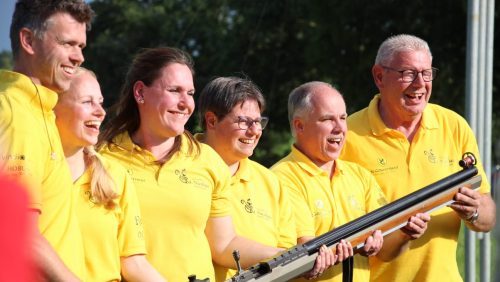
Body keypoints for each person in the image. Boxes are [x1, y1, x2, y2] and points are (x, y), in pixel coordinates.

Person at [98, 47, 283, 281]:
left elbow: (224, 244)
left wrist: (288, 254)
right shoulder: (101, 159)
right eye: (174, 90)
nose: (186, 103)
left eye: (191, 93)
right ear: (140, 92)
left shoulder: (207, 159)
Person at [340, 34, 496, 281]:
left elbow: (488, 217)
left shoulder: (454, 126)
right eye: (407, 73)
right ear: (379, 76)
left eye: (426, 73)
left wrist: (474, 210)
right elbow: (336, 228)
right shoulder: (347, 136)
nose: (419, 84)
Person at [196, 76, 353, 281]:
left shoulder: (270, 182)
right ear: (212, 121)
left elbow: (286, 252)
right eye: (244, 121)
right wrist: (287, 257)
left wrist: (303, 263)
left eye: (258, 121)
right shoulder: (183, 167)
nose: (254, 131)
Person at [271, 81, 430, 282]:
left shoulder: (359, 175)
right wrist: (359, 242)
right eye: (328, 119)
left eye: (343, 118)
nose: (339, 128)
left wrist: (404, 232)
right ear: (299, 125)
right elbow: (306, 251)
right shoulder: (281, 178)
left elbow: (386, 250)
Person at [0, 0, 94, 280]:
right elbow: (16, 229)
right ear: (28, 40)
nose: (79, 57)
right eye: (67, 43)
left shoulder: (39, 111)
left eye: (81, 46)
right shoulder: (15, 114)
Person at [54, 68, 165, 281]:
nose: (101, 112)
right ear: (54, 107)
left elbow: (134, 263)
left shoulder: (116, 177)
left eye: (100, 102)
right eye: (87, 102)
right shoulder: (27, 173)